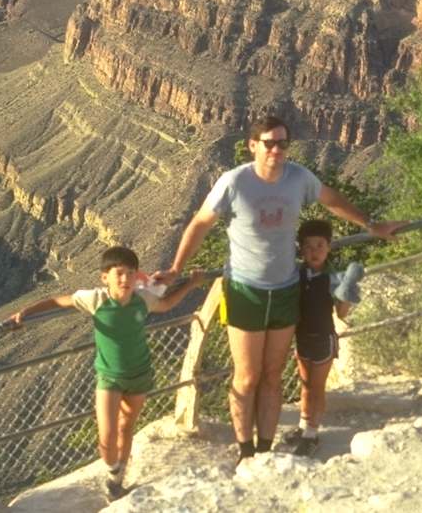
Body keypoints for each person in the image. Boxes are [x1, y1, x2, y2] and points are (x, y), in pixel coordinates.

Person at [154, 115, 403, 464]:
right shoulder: (234, 182)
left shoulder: (298, 178)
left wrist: (371, 225)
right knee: (247, 375)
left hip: (285, 290)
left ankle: (265, 449)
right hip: (244, 291)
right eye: (268, 143)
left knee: (272, 376)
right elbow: (199, 223)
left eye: (282, 143)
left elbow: (331, 199)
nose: (276, 150)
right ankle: (245, 451)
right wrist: (176, 268)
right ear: (253, 146)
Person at [7, 246, 205, 500]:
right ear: (105, 277)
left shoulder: (143, 298)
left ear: (136, 276)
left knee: (126, 427)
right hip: (108, 376)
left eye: (130, 273)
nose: (125, 279)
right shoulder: (96, 300)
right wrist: (24, 314)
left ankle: (116, 481)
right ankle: (113, 469)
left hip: (140, 374)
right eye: (119, 273)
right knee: (107, 435)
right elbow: (59, 300)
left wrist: (191, 284)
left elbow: (166, 304)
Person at [283, 218, 358, 457]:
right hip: (302, 338)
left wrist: (348, 291)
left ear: (328, 247)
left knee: (317, 387)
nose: (314, 252)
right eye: (309, 246)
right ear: (301, 249)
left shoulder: (333, 278)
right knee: (305, 386)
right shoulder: (297, 274)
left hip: (324, 339)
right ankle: (305, 426)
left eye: (319, 246)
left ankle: (312, 434)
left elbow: (341, 312)